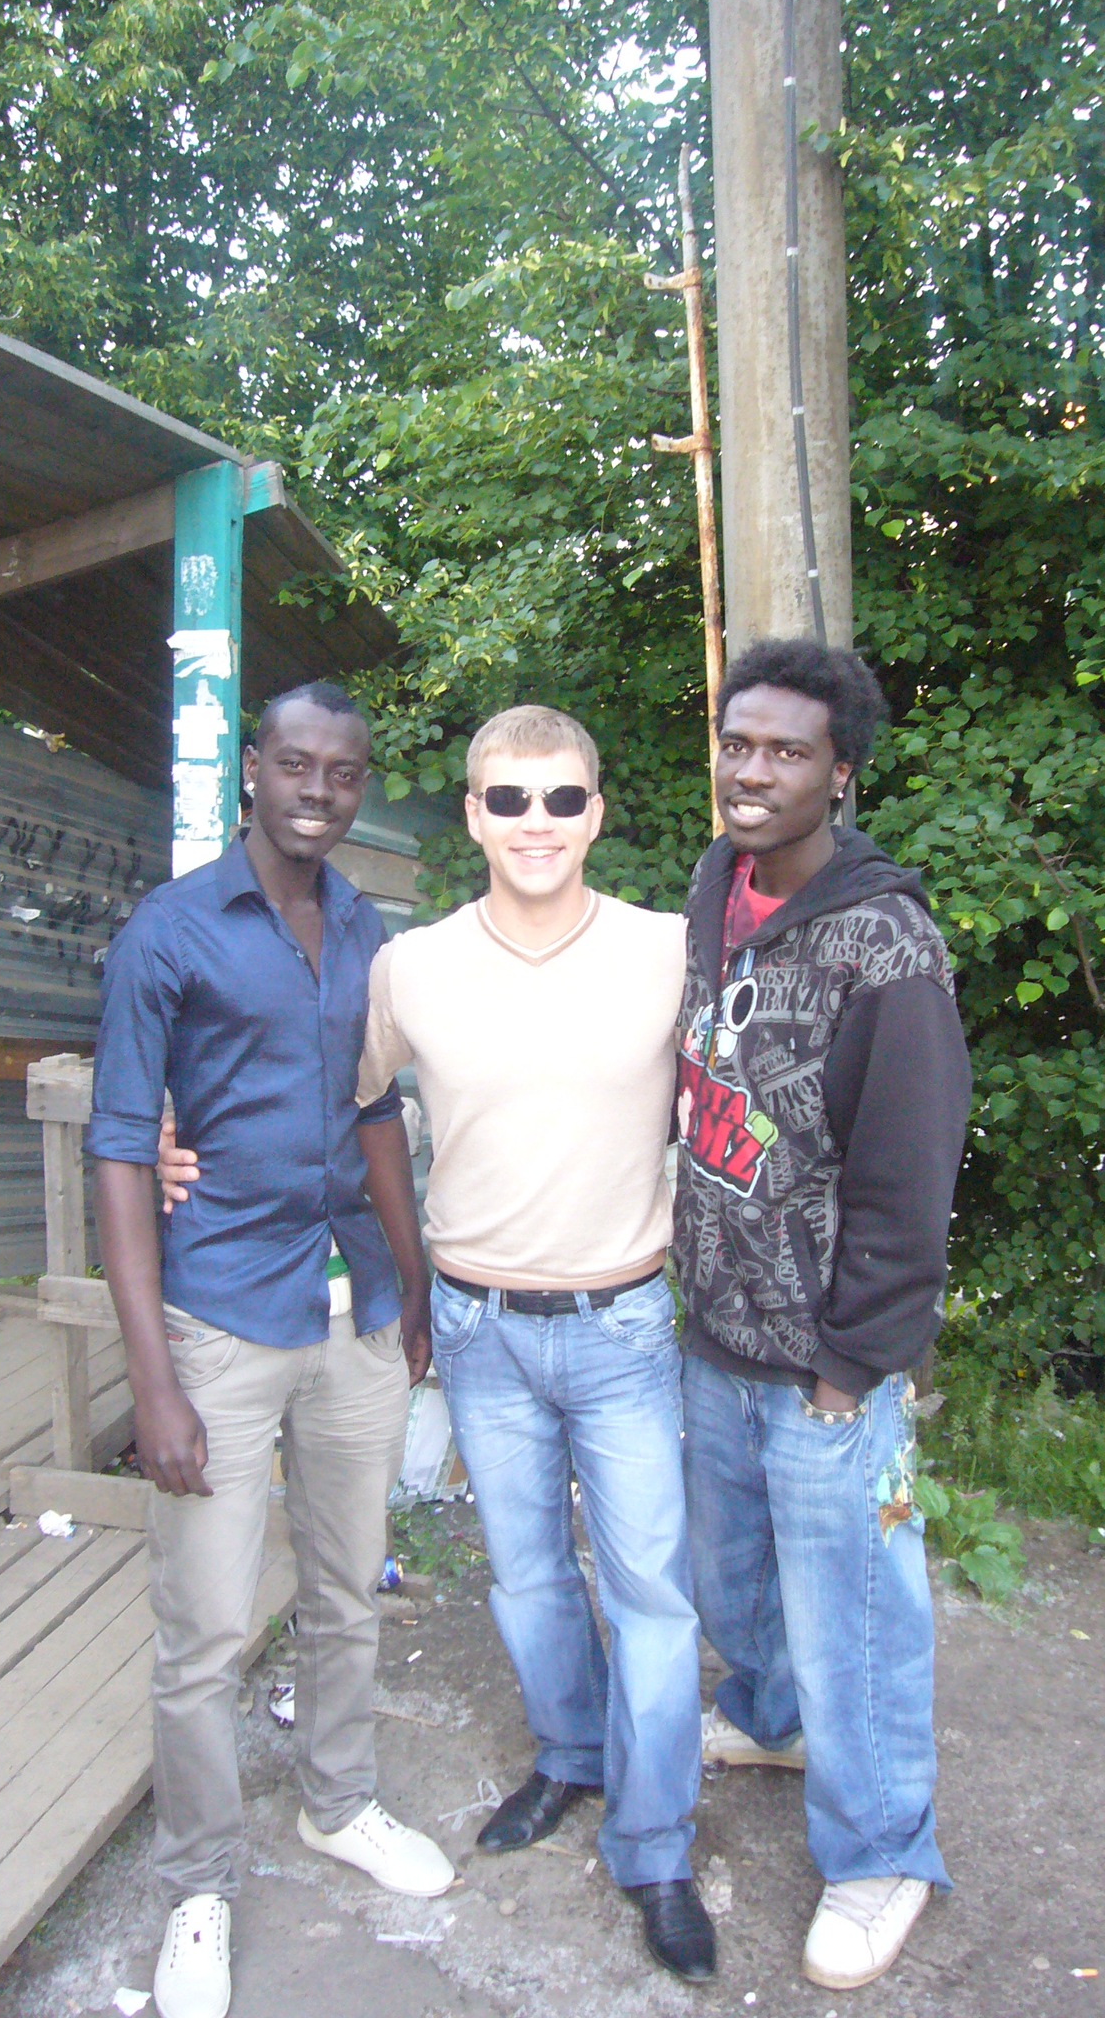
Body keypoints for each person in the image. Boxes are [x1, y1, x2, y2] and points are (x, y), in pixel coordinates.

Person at [164, 703, 714, 1984]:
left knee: (651, 1594)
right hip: (478, 1326)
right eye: (508, 798)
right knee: (527, 1576)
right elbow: (330, 1091)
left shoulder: (668, 949)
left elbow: (755, 1078)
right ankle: (569, 1756)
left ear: (597, 811)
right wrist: (174, 1129)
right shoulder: (410, 966)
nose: (536, 822)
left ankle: (657, 1846)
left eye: (562, 798)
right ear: (472, 814)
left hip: (624, 1319)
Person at [89, 681, 453, 2018]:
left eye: (343, 772)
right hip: (222, 1319)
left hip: (352, 1315)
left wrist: (413, 1283)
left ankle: (337, 1802)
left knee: (347, 1586)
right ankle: (197, 1885)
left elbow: (376, 1112)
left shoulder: (366, 931)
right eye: (296, 764)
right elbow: (121, 1145)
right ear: (255, 769)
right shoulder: (171, 930)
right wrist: (153, 1381)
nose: (318, 790)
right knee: (202, 1633)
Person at [675, 638, 971, 1993]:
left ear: (840, 773)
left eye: (786, 751)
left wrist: (855, 1364)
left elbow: (911, 1175)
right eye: (739, 742)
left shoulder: (888, 946)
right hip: (716, 1332)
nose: (753, 769)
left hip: (828, 1368)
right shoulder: (715, 884)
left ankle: (883, 1852)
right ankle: (772, 1720)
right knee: (736, 1581)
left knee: (857, 1611)